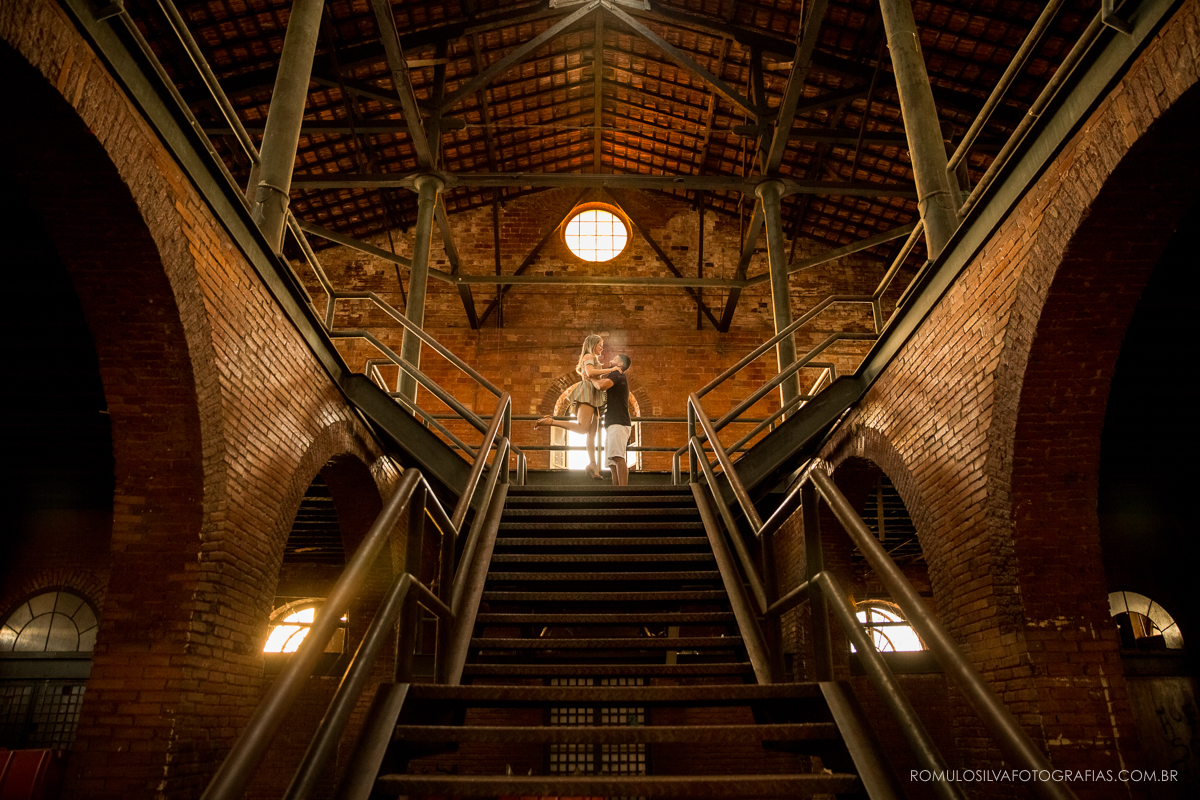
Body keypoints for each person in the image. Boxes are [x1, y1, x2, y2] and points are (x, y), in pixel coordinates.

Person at [536, 335, 621, 479]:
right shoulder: (588, 355)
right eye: (600, 344)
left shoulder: (593, 357)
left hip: (594, 395)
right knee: (583, 428)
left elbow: (594, 375)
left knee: (592, 434)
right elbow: (590, 373)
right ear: (593, 344)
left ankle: (593, 465)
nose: (602, 347)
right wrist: (612, 369)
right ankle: (551, 421)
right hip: (587, 392)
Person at [596, 354, 632, 486]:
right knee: (611, 463)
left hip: (619, 422)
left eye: (615, 358)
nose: (611, 358)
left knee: (618, 457)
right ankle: (616, 492)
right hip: (612, 423)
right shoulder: (615, 375)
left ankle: (624, 492)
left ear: (620, 364)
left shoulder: (617, 374)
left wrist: (591, 379)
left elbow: (602, 386)